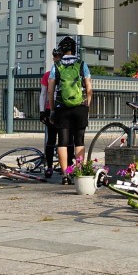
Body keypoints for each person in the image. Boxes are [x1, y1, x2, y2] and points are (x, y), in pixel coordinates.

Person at [47, 36, 92, 185]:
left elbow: (50, 90)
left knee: (63, 141)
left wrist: (52, 109)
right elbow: (89, 87)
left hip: (62, 107)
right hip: (79, 107)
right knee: (79, 140)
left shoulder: (57, 66)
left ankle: (65, 175)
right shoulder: (82, 64)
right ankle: (78, 173)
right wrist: (87, 103)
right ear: (74, 49)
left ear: (62, 50)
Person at [39, 48, 73, 178]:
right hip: (53, 109)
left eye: (58, 57)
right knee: (52, 139)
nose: (56, 59)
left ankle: (68, 165)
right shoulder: (48, 74)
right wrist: (42, 111)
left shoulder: (66, 73)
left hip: (63, 108)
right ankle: (49, 166)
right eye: (55, 57)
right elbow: (43, 94)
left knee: (66, 139)